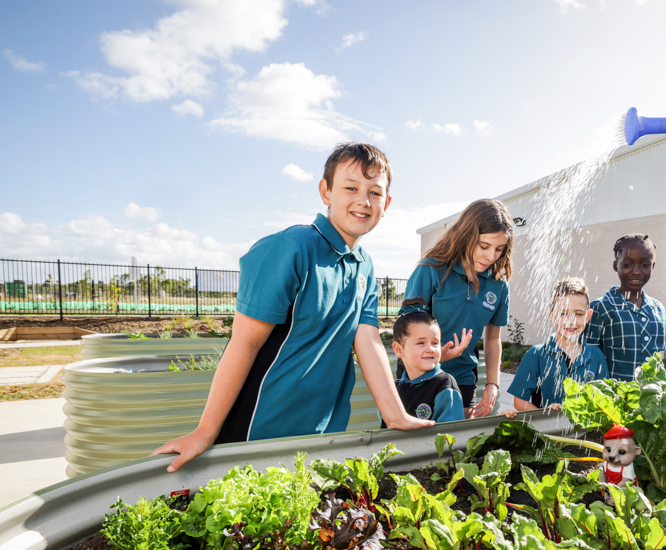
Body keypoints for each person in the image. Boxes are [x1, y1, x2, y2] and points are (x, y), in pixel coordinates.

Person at [152, 143, 433, 472]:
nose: (363, 200)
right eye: (351, 188)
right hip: (260, 428)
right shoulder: (290, 248)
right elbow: (245, 341)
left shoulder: (365, 266)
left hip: (321, 430)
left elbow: (368, 340)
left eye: (374, 192)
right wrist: (205, 431)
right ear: (325, 191)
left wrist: (394, 414)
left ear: (386, 203)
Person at [399, 199, 513, 418]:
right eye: (484, 246)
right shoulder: (430, 270)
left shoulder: (499, 284)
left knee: (456, 444)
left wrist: (493, 384)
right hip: (417, 373)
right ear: (466, 236)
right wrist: (439, 355)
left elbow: (492, 338)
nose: (491, 256)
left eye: (499, 249)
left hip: (462, 376)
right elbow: (406, 331)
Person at [505, 277, 608, 413]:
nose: (571, 321)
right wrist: (545, 417)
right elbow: (519, 401)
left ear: (588, 316)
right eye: (563, 313)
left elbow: (603, 400)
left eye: (578, 314)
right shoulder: (536, 354)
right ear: (551, 315)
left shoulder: (596, 356)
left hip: (585, 432)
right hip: (547, 433)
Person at [584, 233, 666, 381]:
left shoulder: (658, 309)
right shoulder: (600, 308)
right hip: (614, 400)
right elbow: (587, 361)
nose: (636, 271)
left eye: (645, 265)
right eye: (627, 265)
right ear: (616, 266)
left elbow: (658, 359)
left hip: (651, 400)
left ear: (653, 266)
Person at [387, 310, 463, 425]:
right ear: (399, 350)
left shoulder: (445, 386)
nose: (431, 349)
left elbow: (450, 436)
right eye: (421, 343)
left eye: (435, 343)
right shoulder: (393, 390)